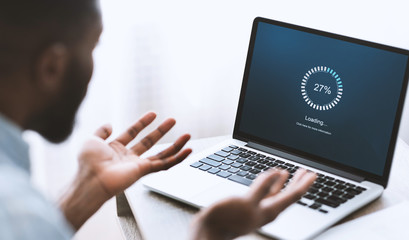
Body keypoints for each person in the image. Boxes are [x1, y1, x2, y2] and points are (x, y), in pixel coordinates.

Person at [0, 0, 316, 239]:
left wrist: (86, 191)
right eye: (93, 48)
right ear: (52, 66)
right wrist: (206, 233)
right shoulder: (18, 211)